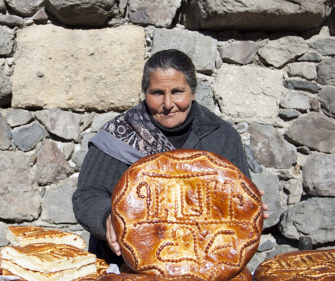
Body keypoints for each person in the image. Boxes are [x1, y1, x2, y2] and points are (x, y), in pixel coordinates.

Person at [72, 49, 268, 265]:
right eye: (157, 93)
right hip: (124, 265)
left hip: (204, 266)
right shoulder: (117, 135)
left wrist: (246, 206)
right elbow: (87, 195)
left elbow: (236, 207)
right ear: (145, 93)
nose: (167, 104)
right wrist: (107, 217)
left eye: (177, 92)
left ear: (192, 92)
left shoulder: (221, 137)